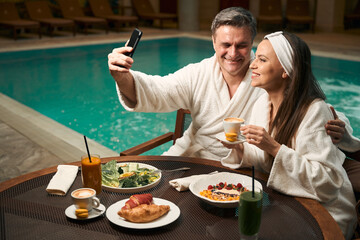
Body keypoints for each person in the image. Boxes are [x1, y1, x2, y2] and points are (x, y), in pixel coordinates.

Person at [108, 7, 352, 160]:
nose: (233, 53)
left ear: (252, 43)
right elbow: (155, 92)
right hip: (195, 157)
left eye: (242, 45)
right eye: (225, 45)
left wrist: (341, 129)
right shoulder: (198, 74)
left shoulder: (271, 76)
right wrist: (123, 76)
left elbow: (311, 109)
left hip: (246, 165)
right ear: (214, 43)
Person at [220, 31, 358, 239]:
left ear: (286, 70)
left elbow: (326, 182)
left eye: (262, 60)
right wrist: (239, 148)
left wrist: (274, 147)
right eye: (255, 57)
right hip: (284, 201)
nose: (252, 65)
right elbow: (264, 160)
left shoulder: (313, 111)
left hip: (323, 212)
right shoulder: (261, 104)